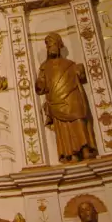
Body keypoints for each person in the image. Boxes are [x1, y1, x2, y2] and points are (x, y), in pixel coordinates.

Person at [36, 33, 97, 163]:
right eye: (48, 46)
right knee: (63, 127)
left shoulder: (70, 64)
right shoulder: (44, 67)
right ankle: (70, 153)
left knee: (78, 120)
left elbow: (81, 76)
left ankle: (85, 148)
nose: (50, 48)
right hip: (56, 100)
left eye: (53, 44)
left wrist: (79, 71)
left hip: (72, 97)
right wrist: (39, 84)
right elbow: (40, 86)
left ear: (59, 45)